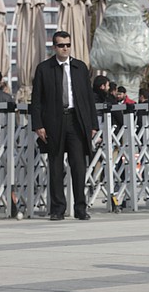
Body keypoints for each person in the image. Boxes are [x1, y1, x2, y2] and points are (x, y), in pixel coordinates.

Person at [31, 31, 99, 221]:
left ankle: (80, 208)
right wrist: (38, 125)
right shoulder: (44, 69)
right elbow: (36, 100)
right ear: (54, 47)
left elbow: (88, 98)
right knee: (55, 166)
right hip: (53, 122)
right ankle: (57, 209)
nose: (65, 48)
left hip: (76, 122)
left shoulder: (80, 67)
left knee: (78, 166)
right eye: (61, 45)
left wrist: (93, 124)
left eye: (68, 45)